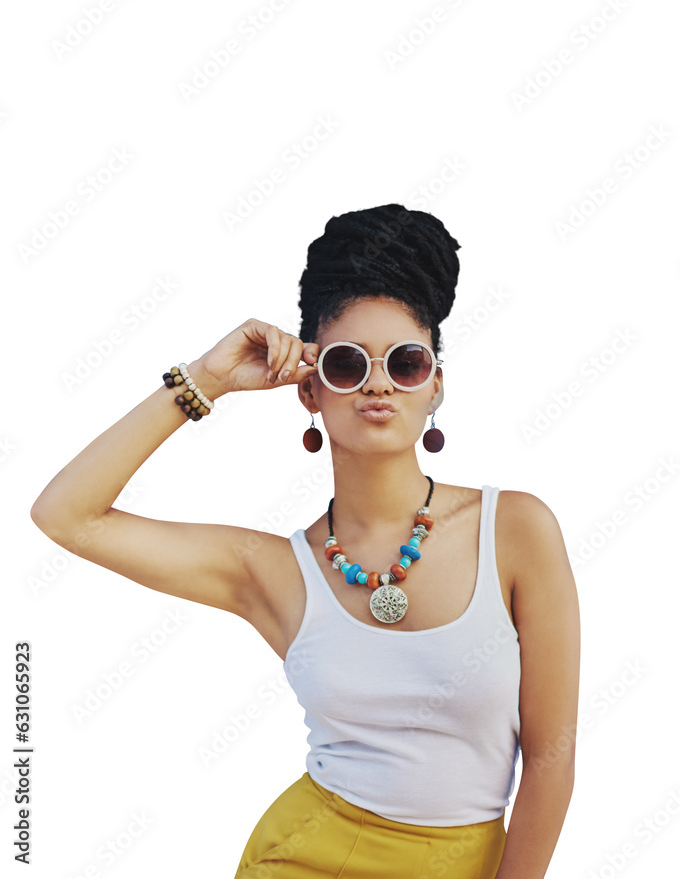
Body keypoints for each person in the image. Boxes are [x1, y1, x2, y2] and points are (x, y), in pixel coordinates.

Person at [30, 204, 580, 879]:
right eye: (348, 364)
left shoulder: (517, 532)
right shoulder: (273, 572)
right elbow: (67, 516)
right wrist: (208, 378)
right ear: (310, 392)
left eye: (405, 362)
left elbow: (551, 758)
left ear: (435, 385)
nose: (377, 382)